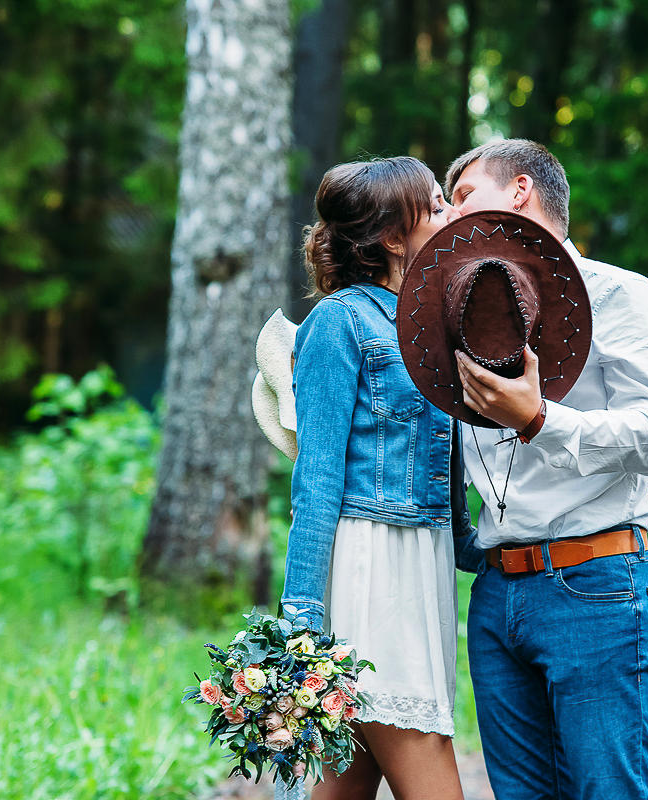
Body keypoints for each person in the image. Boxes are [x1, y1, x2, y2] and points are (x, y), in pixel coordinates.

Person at [446, 139, 648, 800]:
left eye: (463, 196)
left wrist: (541, 419)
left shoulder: (624, 298)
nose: (448, 217)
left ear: (520, 191)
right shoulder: (452, 321)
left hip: (596, 584)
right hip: (494, 599)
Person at [280, 156, 467, 800]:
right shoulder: (340, 322)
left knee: (344, 786)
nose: (450, 216)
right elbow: (318, 477)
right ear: (392, 236)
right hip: (371, 563)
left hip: (423, 555)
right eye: (436, 204)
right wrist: (300, 616)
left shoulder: (434, 320)